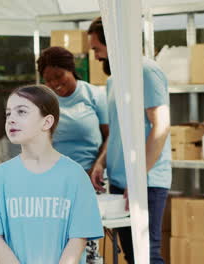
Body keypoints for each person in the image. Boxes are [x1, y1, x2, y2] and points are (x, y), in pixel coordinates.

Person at [0, 84, 103, 264]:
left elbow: (78, 240)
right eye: (8, 113)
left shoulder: (75, 176)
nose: (11, 119)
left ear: (47, 122)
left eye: (21, 112)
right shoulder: (1, 176)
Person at [88, 17, 172, 264]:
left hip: (146, 181)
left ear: (112, 42)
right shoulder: (114, 80)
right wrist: (100, 163)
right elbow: (116, 132)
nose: (96, 56)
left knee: (145, 253)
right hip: (119, 181)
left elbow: (161, 125)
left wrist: (137, 178)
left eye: (97, 49)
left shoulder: (146, 71)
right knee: (132, 254)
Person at [37, 46, 109, 263]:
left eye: (59, 76)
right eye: (48, 80)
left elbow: (110, 136)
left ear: (71, 69)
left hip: (91, 179)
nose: (54, 84)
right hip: (55, 182)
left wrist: (98, 166)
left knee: (85, 245)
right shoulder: (45, 102)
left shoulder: (94, 95)